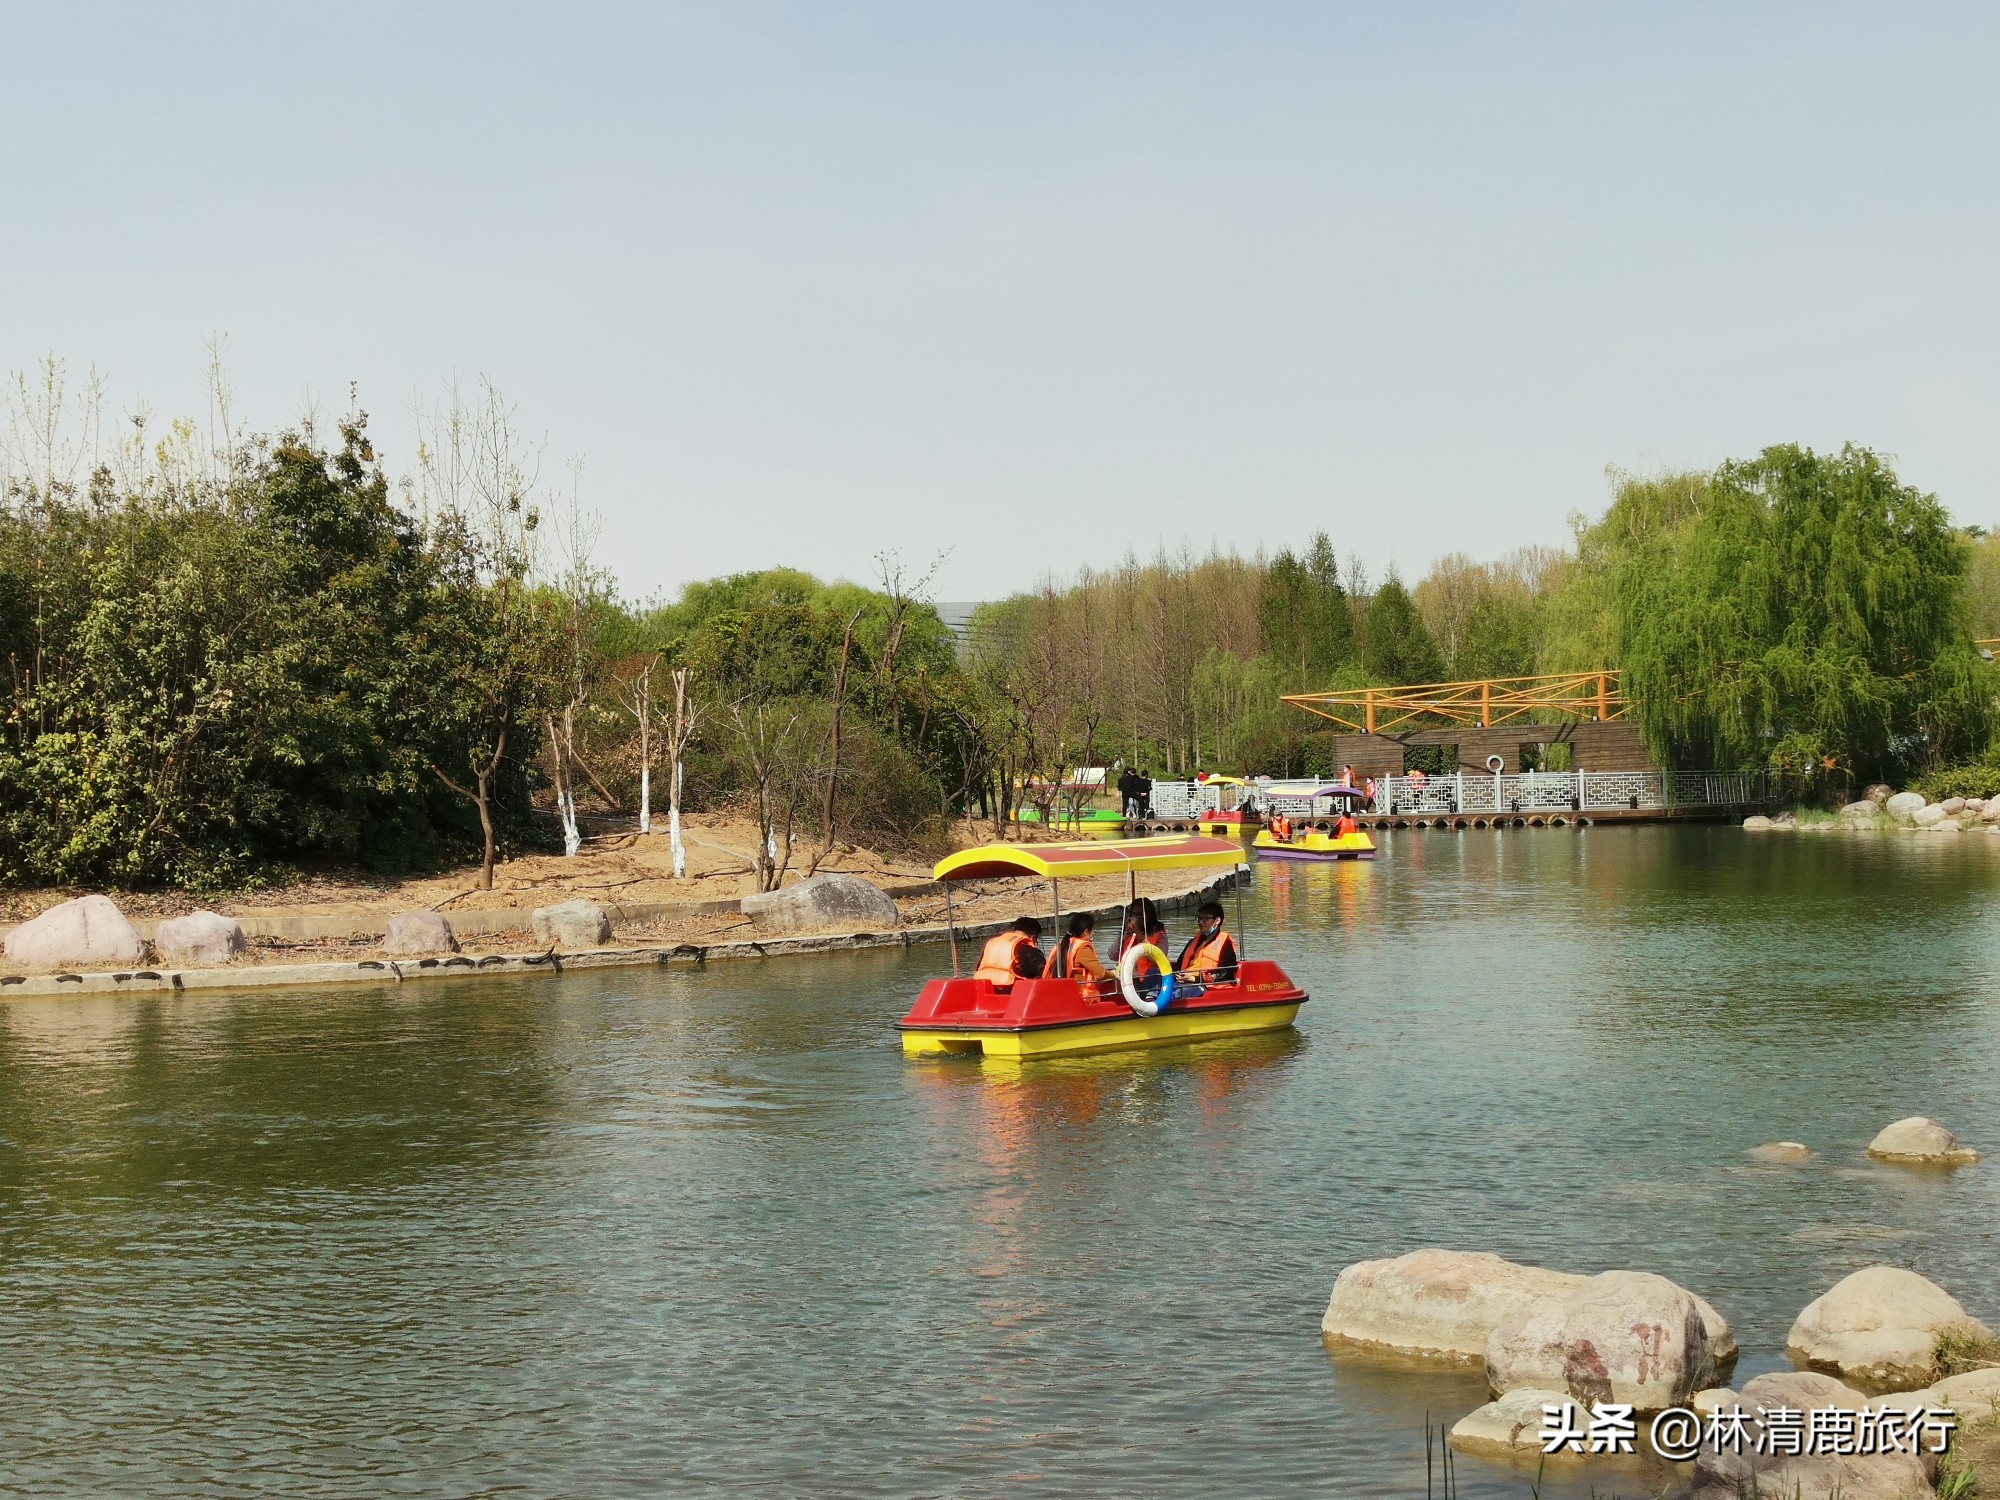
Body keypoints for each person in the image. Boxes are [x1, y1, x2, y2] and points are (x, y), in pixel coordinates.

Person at [1176, 900, 1239, 988]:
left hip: (1204, 987)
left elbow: (1225, 974)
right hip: (1183, 982)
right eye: (1199, 918)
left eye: (1205, 919)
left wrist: (1195, 979)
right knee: (1155, 976)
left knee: (1176, 993)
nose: (1200, 922)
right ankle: (1152, 998)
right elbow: (1179, 965)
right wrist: (1177, 976)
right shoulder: (1193, 942)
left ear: (1217, 921)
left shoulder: (1225, 943)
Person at [974, 916, 1046, 989]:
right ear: (1033, 937)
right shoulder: (1030, 950)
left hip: (982, 989)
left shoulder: (991, 945)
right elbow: (1046, 975)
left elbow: (979, 968)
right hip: (1011, 993)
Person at [1057, 912, 1110, 986]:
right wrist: (1114, 975)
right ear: (1086, 932)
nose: (1093, 933)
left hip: (1065, 988)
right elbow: (1101, 974)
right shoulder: (1083, 948)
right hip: (1081, 994)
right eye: (1092, 930)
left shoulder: (1064, 944)